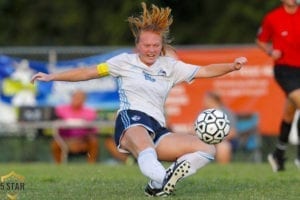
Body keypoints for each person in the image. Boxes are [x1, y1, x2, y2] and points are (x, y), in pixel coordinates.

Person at [31, 2, 247, 196]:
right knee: (146, 148)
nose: (151, 50)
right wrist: (52, 76)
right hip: (131, 119)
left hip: (158, 128)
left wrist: (232, 66)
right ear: (138, 46)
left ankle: (157, 185)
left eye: (155, 46)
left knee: (207, 148)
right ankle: (163, 179)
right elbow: (88, 72)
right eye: (146, 45)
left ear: (161, 46)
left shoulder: (170, 67)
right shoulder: (123, 62)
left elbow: (206, 70)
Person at [256, 0, 300, 172]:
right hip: (285, 70)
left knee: (290, 110)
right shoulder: (272, 17)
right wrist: (269, 51)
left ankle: (278, 154)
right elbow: (261, 40)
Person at [51, 90, 99, 163]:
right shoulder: (61, 110)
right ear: (71, 97)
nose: (77, 100)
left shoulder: (90, 112)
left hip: (83, 141)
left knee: (93, 141)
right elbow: (56, 126)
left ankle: (91, 165)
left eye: (80, 98)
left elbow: (94, 130)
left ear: (84, 100)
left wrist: (79, 141)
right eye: (76, 97)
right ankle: (59, 166)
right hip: (65, 140)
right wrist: (70, 142)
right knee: (56, 143)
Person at [202, 91, 238, 164]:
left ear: (213, 100)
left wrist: (216, 138)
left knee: (223, 147)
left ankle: (223, 171)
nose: (204, 102)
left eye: (206, 99)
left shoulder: (227, 113)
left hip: (223, 141)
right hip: (204, 140)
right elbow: (194, 129)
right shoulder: (202, 113)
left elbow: (233, 132)